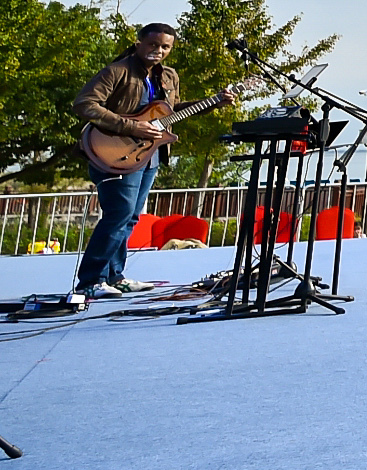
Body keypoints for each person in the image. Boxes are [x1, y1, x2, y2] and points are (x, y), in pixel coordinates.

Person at [67, 23, 240, 301]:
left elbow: (170, 112)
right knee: (118, 215)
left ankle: (115, 277)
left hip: (149, 155)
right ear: (139, 44)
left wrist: (213, 102)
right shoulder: (117, 71)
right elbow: (85, 103)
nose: (158, 50)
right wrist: (131, 127)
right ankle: (90, 281)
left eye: (165, 47)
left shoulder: (169, 76)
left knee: (131, 217)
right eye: (153, 44)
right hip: (113, 152)